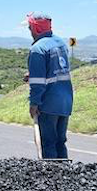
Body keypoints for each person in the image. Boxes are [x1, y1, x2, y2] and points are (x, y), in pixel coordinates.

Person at [26, 12, 73, 159]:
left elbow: (38, 83)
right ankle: (66, 175)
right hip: (65, 101)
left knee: (49, 143)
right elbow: (55, 71)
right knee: (60, 142)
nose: (29, 30)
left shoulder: (37, 49)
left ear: (36, 29)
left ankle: (52, 179)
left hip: (49, 103)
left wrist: (34, 103)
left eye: (30, 27)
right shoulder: (60, 44)